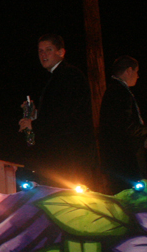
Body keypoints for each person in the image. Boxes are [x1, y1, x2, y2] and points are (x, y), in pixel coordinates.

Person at [19, 34, 95, 188]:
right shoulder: (59, 76)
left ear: (61, 52)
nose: (43, 54)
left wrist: (33, 124)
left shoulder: (68, 75)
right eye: (40, 51)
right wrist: (33, 115)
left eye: (48, 50)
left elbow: (64, 115)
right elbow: (58, 112)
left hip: (68, 157)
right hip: (64, 155)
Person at [99, 55, 147, 194]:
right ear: (129, 71)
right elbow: (125, 127)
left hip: (119, 165)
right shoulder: (119, 92)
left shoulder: (115, 91)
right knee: (133, 204)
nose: (138, 76)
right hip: (125, 166)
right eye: (136, 72)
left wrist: (144, 139)